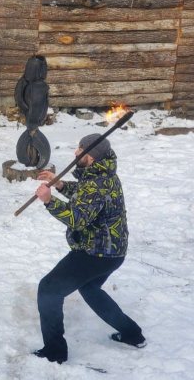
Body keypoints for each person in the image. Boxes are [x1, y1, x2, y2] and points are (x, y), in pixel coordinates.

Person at [32, 135, 146, 364]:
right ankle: (132, 334)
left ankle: (55, 352)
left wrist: (49, 201)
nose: (76, 153)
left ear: (91, 156)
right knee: (90, 289)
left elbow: (78, 219)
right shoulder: (102, 174)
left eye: (80, 149)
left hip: (96, 252)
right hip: (113, 251)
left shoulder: (98, 182)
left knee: (49, 289)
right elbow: (86, 196)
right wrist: (62, 185)